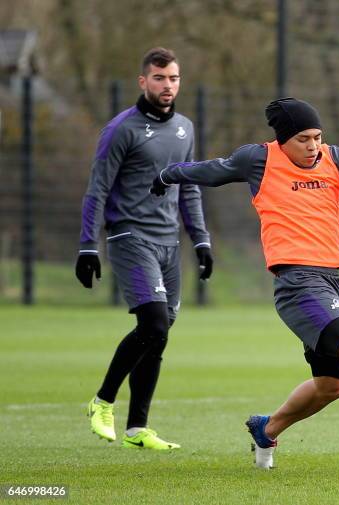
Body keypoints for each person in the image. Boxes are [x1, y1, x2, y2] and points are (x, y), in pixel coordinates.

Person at [150, 97, 339, 469]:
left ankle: (267, 428)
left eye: (317, 136)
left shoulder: (335, 158)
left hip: (330, 282)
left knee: (331, 386)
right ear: (283, 140)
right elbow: (212, 171)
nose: (313, 145)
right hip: (297, 283)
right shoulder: (258, 160)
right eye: (304, 138)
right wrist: (168, 175)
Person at [76, 47, 213, 450]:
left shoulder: (186, 128)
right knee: (153, 324)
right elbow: (97, 189)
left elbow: (189, 187)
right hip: (129, 238)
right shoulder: (122, 129)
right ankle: (102, 402)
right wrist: (88, 245)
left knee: (158, 333)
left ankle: (138, 428)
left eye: (173, 78)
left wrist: (200, 239)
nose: (167, 85)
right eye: (159, 78)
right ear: (143, 81)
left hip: (169, 244)